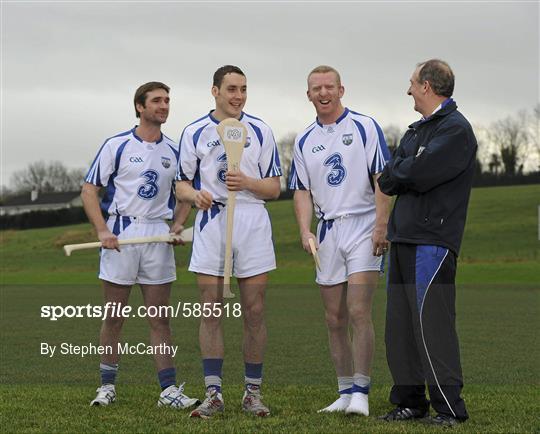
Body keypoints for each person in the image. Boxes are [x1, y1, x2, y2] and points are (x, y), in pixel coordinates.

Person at [81, 82, 198, 409]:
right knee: (115, 316)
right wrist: (103, 230)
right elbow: (89, 190)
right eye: (157, 100)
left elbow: (186, 191)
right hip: (121, 235)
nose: (164, 105)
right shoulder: (116, 145)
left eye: (167, 100)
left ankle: (168, 390)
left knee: (160, 318)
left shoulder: (174, 150)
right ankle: (106, 387)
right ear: (139, 107)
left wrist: (178, 224)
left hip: (157, 238)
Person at [175, 65, 281, 418]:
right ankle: (214, 393)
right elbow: (181, 184)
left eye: (244, 89)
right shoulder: (194, 132)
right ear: (215, 91)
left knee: (254, 309)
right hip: (212, 221)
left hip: (251, 220)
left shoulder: (261, 130)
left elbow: (275, 187)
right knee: (211, 308)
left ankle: (252, 392)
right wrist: (195, 196)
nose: (238, 96)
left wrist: (248, 183)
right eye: (232, 89)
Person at [377, 59, 476, 427]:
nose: (408, 90)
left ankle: (449, 408)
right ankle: (409, 401)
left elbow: (416, 173)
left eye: (412, 83)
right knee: (399, 326)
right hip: (402, 237)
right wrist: (404, 171)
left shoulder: (456, 130)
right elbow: (390, 176)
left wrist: (404, 171)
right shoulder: (417, 130)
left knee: (431, 323)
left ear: (428, 87)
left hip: (432, 242)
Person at [289, 65, 391, 416]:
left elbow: (383, 180)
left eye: (329, 86)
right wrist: (305, 230)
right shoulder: (304, 140)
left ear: (341, 90)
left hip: (364, 227)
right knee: (334, 317)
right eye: (316, 88)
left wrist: (381, 225)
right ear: (308, 95)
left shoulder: (365, 126)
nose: (323, 93)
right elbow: (301, 191)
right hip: (328, 231)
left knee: (359, 310)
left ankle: (362, 392)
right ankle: (344, 391)